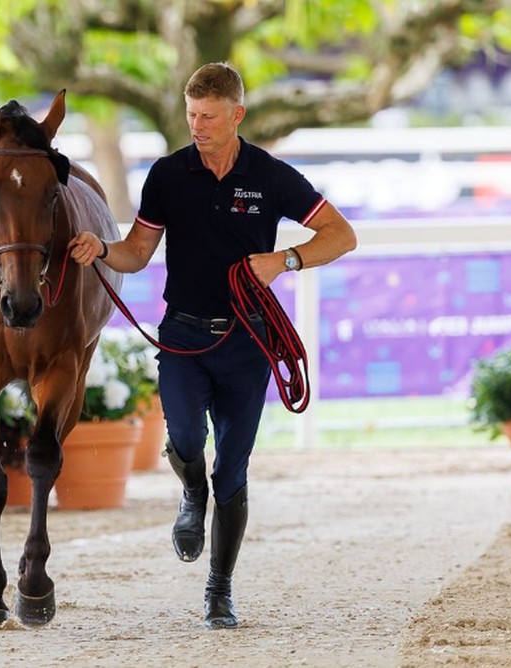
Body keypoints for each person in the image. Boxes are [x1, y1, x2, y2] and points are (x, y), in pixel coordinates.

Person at [69, 62, 357, 629]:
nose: (196, 125)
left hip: (248, 339)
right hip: (181, 335)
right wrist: (99, 248)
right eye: (191, 114)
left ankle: (219, 589)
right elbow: (136, 252)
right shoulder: (168, 175)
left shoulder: (270, 176)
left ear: (237, 115)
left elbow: (341, 236)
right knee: (181, 437)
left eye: (207, 116)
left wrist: (285, 259)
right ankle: (190, 494)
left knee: (234, 470)